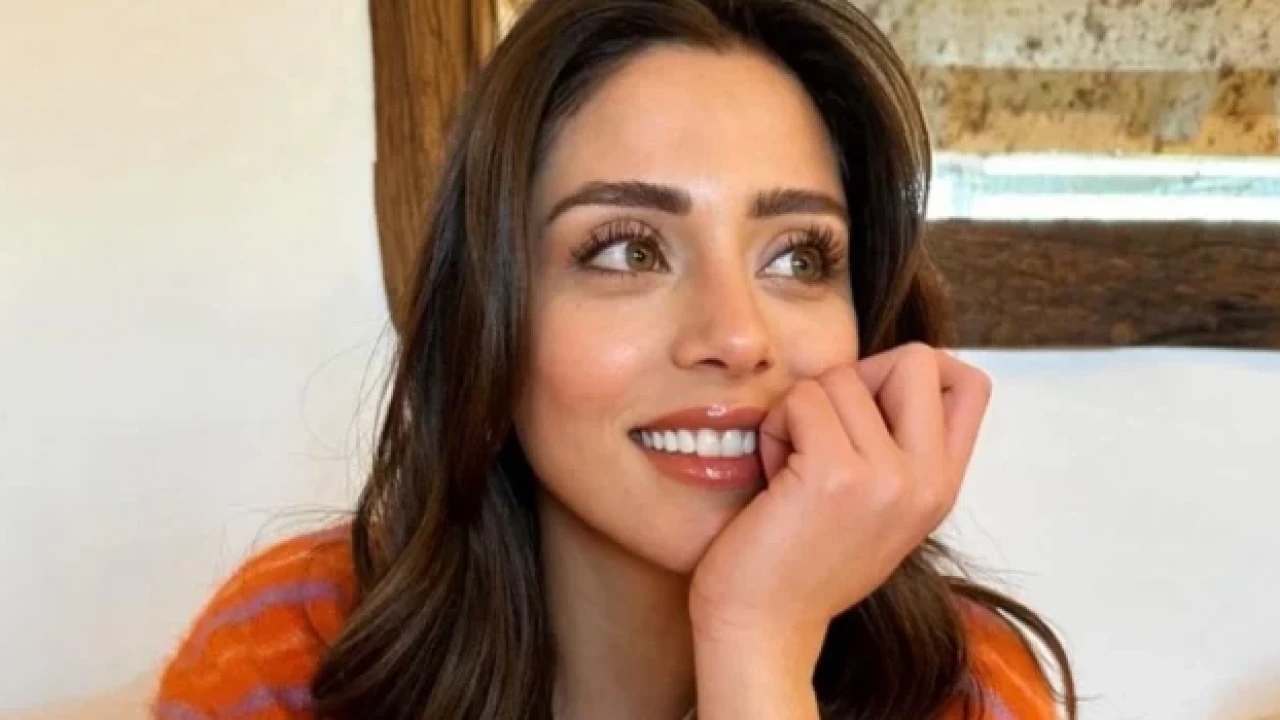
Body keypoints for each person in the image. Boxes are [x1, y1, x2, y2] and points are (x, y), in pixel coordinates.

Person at [153, 0, 1077, 717]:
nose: (737, 337)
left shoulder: (967, 688)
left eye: (799, 257)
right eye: (629, 250)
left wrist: (759, 646)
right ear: (493, 311)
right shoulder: (289, 651)